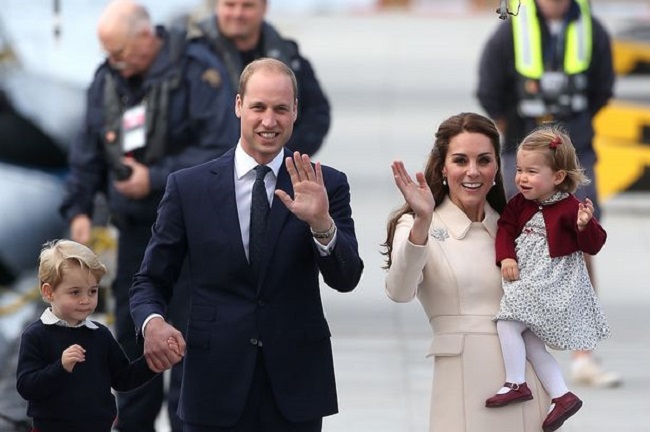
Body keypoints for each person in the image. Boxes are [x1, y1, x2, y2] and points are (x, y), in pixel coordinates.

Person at [129, 57, 364, 431]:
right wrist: (153, 323)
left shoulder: (325, 184)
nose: (269, 121)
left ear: (295, 112)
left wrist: (321, 223)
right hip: (213, 387)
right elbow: (150, 281)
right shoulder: (188, 187)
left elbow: (347, 277)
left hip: (295, 388)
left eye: (280, 109)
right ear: (239, 105)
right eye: (258, 107)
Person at [58, 1, 239, 431]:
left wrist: (154, 178)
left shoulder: (198, 71)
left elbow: (219, 149)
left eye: (119, 52)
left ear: (145, 37)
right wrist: (80, 210)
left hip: (194, 236)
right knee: (132, 341)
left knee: (189, 342)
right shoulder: (108, 78)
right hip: (137, 231)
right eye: (108, 54)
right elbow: (88, 152)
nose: (114, 62)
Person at [476, 0, 619, 387]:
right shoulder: (512, 29)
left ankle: (582, 352)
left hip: (574, 150)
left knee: (579, 238)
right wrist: (521, 142)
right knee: (512, 234)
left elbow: (604, 87)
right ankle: (516, 339)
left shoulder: (592, 31)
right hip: (522, 144)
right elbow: (489, 88)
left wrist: (574, 134)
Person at [383, 112, 552, 432]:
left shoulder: (517, 226)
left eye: (484, 160)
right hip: (463, 381)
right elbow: (399, 290)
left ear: (496, 168)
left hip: (527, 385)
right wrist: (421, 222)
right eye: (460, 160)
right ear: (443, 167)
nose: (473, 171)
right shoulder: (421, 224)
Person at [485, 126, 611, 432]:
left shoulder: (570, 208)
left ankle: (516, 382)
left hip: (551, 284)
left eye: (532, 171)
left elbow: (594, 244)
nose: (522, 178)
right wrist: (507, 257)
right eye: (519, 170)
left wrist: (584, 226)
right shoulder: (518, 203)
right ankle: (562, 395)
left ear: (557, 177)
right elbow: (505, 229)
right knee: (529, 339)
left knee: (507, 323)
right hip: (528, 278)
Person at [15, 239, 163, 432]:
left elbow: (123, 378)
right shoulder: (36, 335)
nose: (86, 300)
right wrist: (61, 367)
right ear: (49, 292)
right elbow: (26, 387)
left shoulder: (100, 335)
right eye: (75, 292)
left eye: (93, 291)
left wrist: (153, 363)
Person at [188, 0, 331, 156]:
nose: (238, 14)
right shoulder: (189, 58)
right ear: (217, 7)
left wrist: (277, 156)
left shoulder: (289, 57)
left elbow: (316, 115)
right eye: (230, 5)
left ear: (264, 8)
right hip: (206, 171)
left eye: (247, 6)